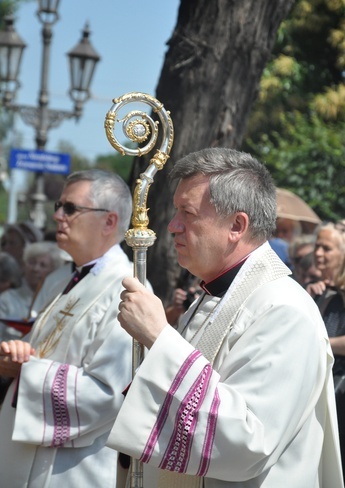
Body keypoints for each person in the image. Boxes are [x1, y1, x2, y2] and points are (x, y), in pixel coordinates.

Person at [107, 148, 343, 488]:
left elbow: (249, 441)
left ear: (236, 225)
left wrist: (160, 338)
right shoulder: (210, 298)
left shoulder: (284, 310)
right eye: (176, 212)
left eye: (186, 213)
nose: (172, 226)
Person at [0, 169, 134, 487]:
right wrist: (13, 356)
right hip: (20, 448)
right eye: (59, 206)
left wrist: (28, 372)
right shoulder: (59, 279)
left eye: (71, 208)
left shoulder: (129, 290)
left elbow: (110, 393)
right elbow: (40, 349)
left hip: (71, 467)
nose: (58, 215)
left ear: (109, 221)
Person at [310, 223, 345, 480]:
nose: (318, 254)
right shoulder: (321, 290)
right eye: (317, 246)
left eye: (327, 248)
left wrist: (322, 344)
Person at [0, 241, 64, 340]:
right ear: (24, 264)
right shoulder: (6, 299)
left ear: (53, 271)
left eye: (43, 265)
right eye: (32, 262)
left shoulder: (56, 302)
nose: (35, 269)